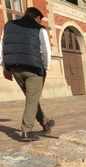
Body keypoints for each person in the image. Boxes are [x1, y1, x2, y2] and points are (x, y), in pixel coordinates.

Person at [1, 7, 54, 142]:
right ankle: (26, 131)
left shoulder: (9, 26)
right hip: (33, 69)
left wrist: (5, 67)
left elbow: (3, 44)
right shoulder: (39, 29)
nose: (39, 21)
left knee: (32, 98)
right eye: (39, 19)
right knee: (32, 99)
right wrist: (46, 68)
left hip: (15, 68)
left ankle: (45, 122)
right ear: (36, 17)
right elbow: (46, 50)